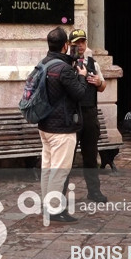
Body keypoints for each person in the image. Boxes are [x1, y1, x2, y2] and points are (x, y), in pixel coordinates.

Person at [38, 26, 88, 223]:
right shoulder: (64, 69)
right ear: (65, 45)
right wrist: (82, 76)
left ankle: (46, 205)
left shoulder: (44, 63)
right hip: (62, 128)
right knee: (59, 171)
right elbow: (80, 93)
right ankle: (54, 210)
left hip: (45, 125)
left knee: (48, 168)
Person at [69, 28, 108, 203]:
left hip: (90, 112)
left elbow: (102, 86)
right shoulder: (66, 63)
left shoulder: (93, 63)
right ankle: (60, 194)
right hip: (72, 114)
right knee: (67, 158)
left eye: (83, 42)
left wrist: (98, 82)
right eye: (76, 43)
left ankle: (94, 191)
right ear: (69, 45)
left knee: (91, 155)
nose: (80, 46)